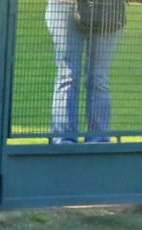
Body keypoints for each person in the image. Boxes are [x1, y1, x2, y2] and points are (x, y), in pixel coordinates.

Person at [46, 0, 125, 143]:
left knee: (99, 78)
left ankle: (98, 141)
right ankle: (64, 141)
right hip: (65, 5)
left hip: (108, 8)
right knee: (68, 75)